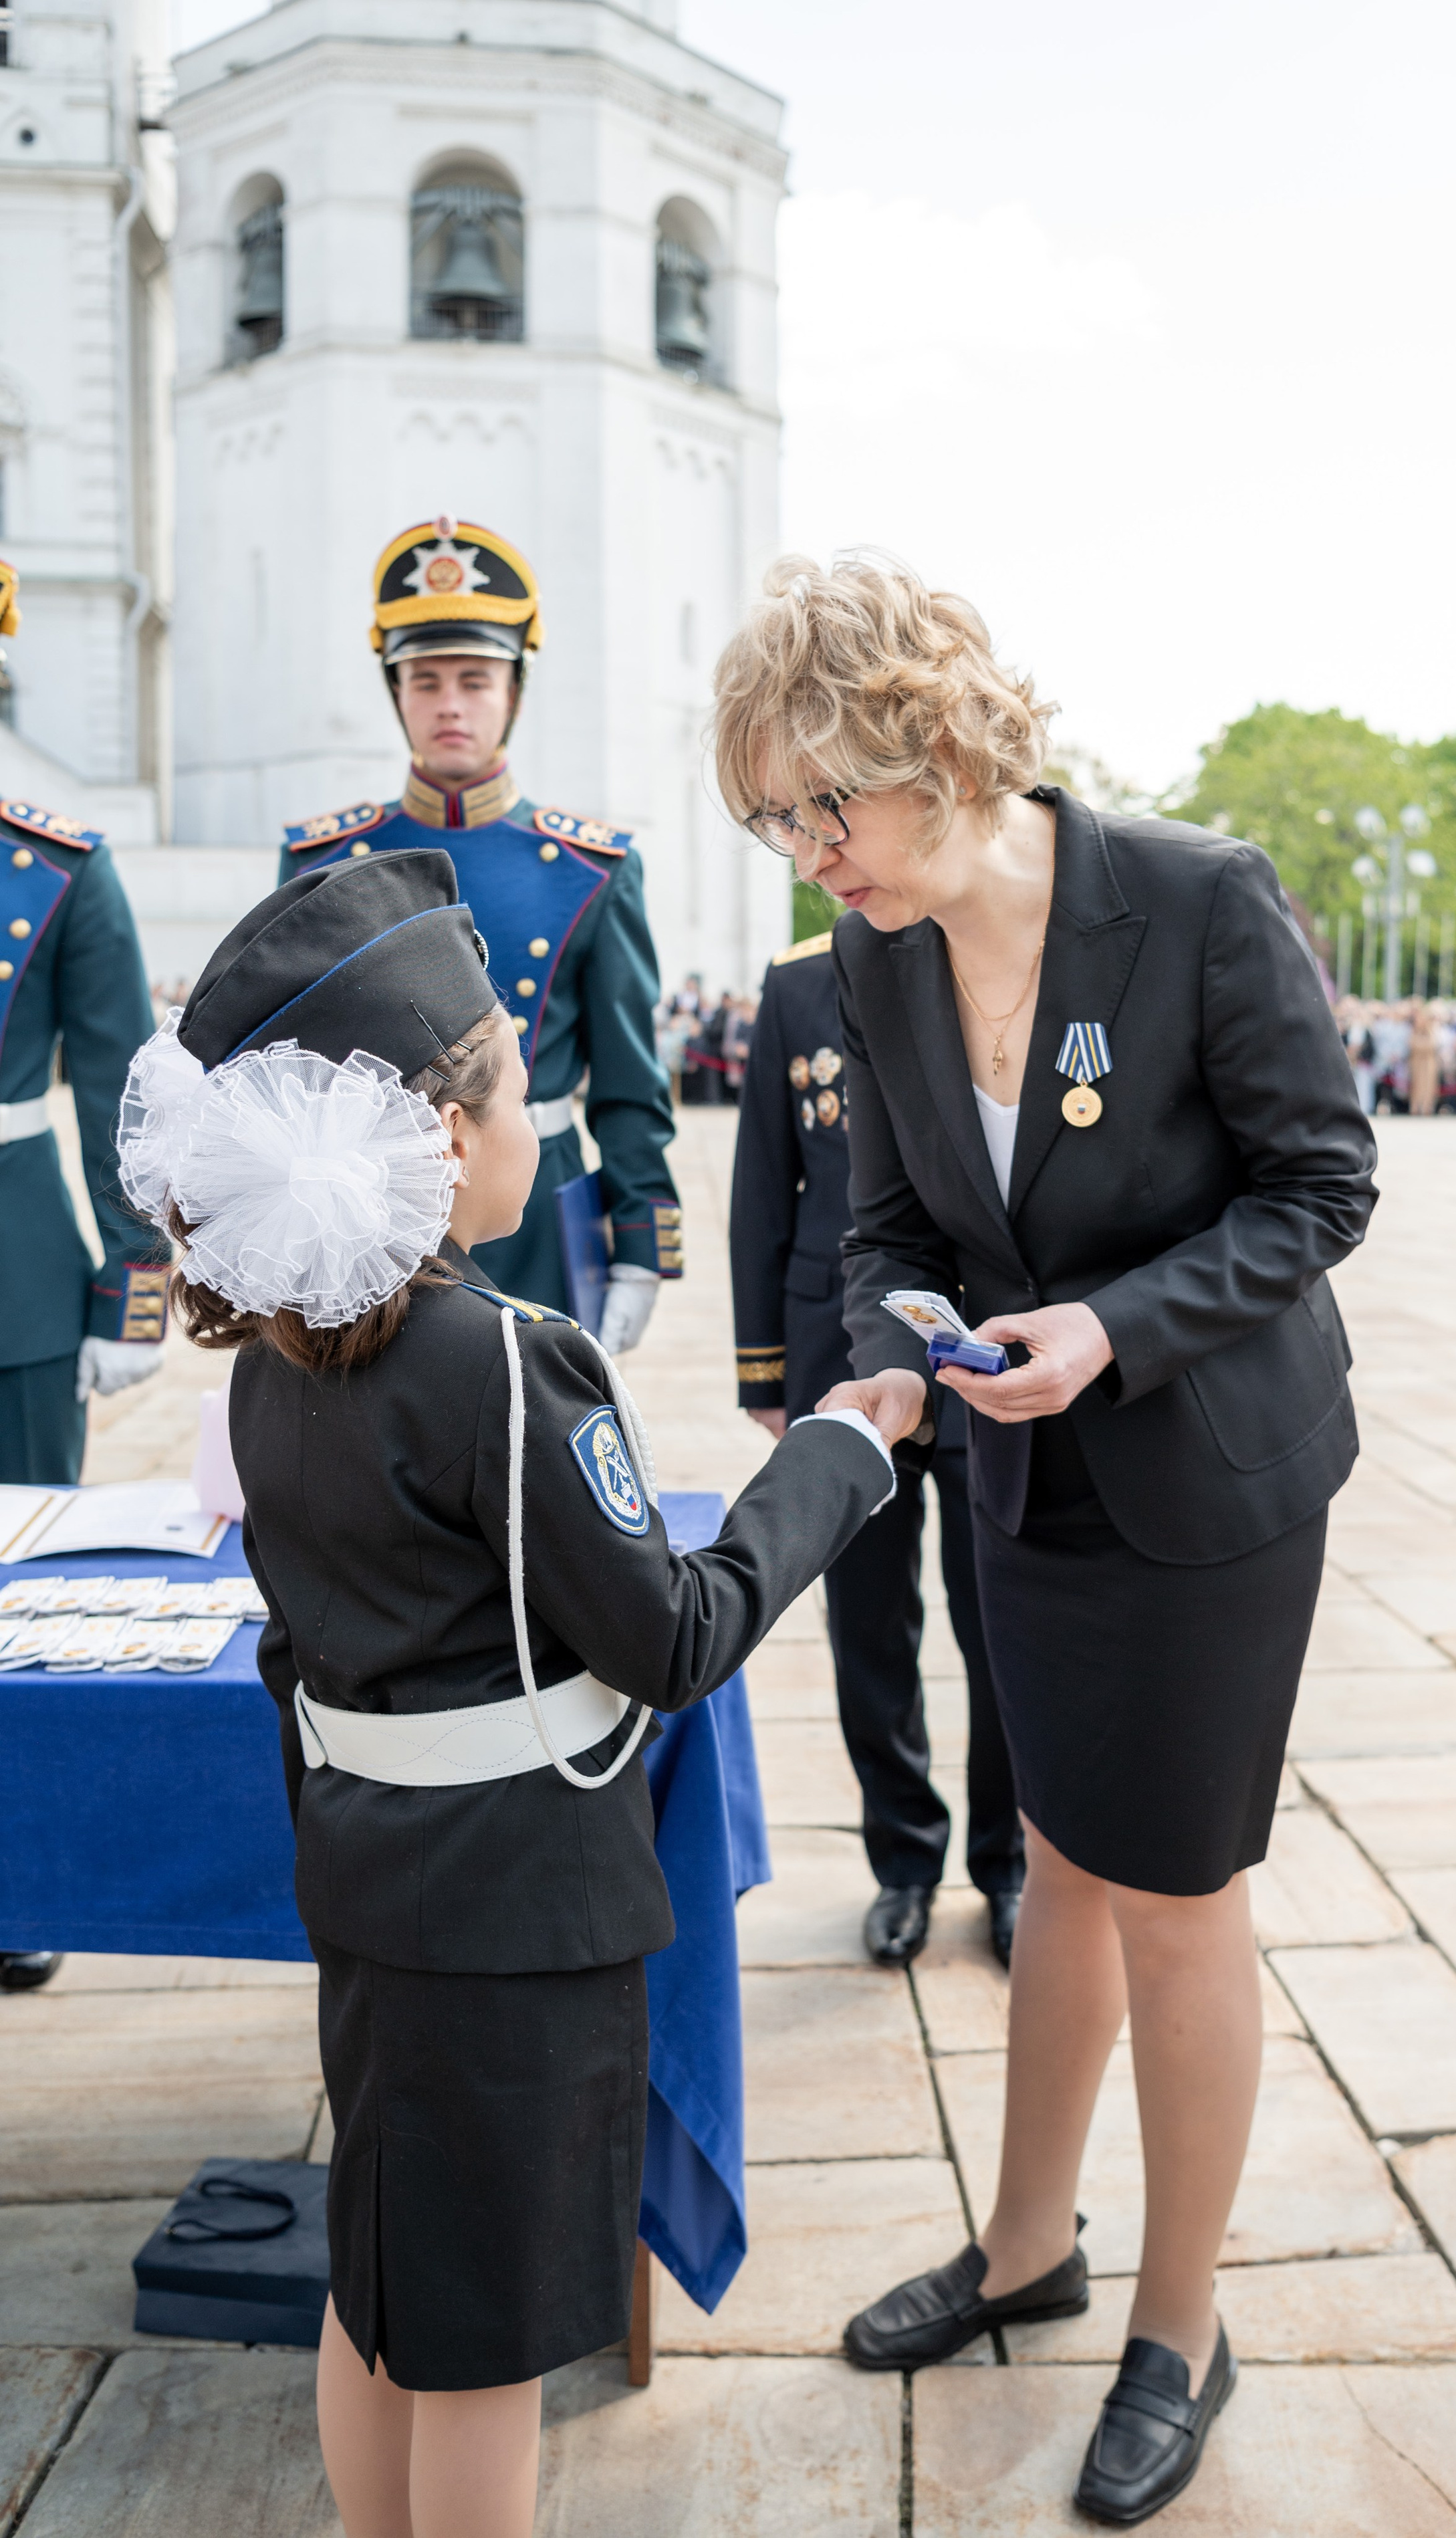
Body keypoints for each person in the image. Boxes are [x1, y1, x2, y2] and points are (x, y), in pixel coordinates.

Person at [114, 846, 909, 2538]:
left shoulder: (267, 1359)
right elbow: (675, 1634)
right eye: (509, 1081)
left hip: (374, 1878)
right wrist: (844, 1447)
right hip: (519, 1910)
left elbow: (294, 1645)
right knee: (480, 2344)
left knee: (381, 2273)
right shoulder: (504, 1355)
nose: (527, 1115)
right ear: (453, 1134)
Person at [710, 555, 1377, 2527]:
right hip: (1021, 1473)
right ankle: (1025, 2246)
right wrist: (889, 1369)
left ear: (922, 744)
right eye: (773, 818)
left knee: (1172, 1890)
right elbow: (889, 1222)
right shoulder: (870, 963)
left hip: (1204, 1485)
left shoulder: (1188, 896)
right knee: (1060, 1869)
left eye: (818, 804)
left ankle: (1181, 2322)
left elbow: (1320, 1183)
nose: (805, 852)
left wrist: (1111, 1324)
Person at [277, 517, 681, 1353]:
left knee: (538, 1457)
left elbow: (629, 1080)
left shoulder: (591, 867)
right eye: (424, 680)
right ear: (396, 696)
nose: (450, 703)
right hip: (370, 1213)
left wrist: (641, 1241)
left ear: (515, 692)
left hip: (540, 1204)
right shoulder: (323, 858)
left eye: (475, 678)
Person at [730, 930, 1025, 1966]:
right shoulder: (805, 978)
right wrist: (765, 1371)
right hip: (841, 1347)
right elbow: (766, 1180)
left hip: (994, 1347)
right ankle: (903, 1861)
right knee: (869, 1629)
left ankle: (1007, 1864)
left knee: (1003, 1627)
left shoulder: (1005, 956)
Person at [0, 556, 173, 1992]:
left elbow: (123, 1082)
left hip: (14, 1278)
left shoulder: (55, 863)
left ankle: (19, 1875)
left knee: (20, 1592)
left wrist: (135, 1282)